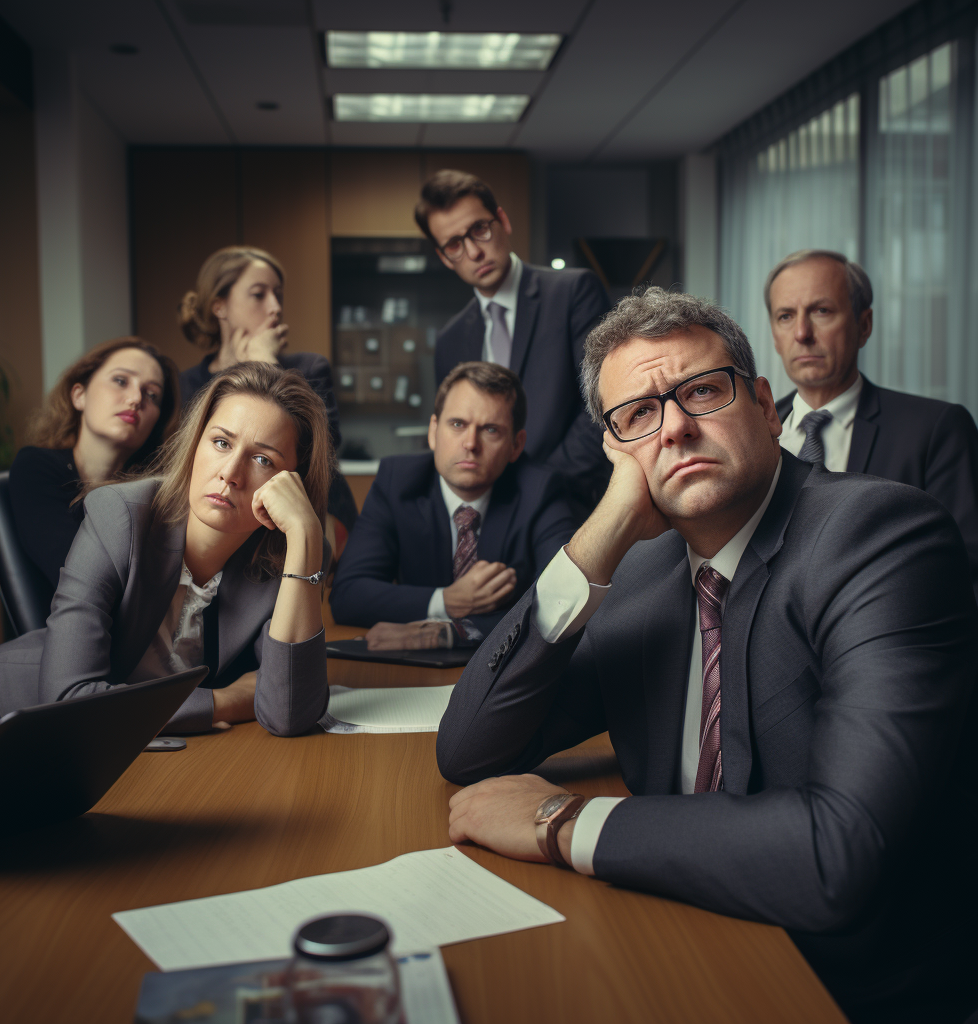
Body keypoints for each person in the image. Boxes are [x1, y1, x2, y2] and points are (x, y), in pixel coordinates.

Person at [436, 287, 978, 1024]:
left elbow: (838, 854)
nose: (676, 429)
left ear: (763, 403)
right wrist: (600, 537)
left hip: (843, 984)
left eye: (701, 392)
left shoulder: (878, 537)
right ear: (615, 448)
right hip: (674, 928)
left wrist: (563, 823)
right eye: (639, 415)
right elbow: (469, 748)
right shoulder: (636, 575)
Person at [0, 363, 332, 738]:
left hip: (129, 749)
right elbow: (69, 701)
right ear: (195, 442)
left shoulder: (291, 554)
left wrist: (304, 533)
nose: (230, 472)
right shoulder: (119, 516)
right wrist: (225, 701)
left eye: (263, 459)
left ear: (292, 484)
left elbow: (288, 714)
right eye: (221, 442)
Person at [767, 248, 978, 599]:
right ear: (775, 335)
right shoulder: (755, 432)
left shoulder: (937, 429)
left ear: (864, 325)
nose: (802, 333)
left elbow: (965, 567)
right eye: (785, 316)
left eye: (821, 311)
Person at [329, 362, 576, 649]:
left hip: (506, 670)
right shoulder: (397, 482)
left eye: (491, 430)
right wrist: (445, 601)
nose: (470, 443)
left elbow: (563, 601)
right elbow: (348, 595)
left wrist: (449, 633)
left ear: (516, 445)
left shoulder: (541, 490)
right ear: (433, 431)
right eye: (458, 424)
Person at [416, 170, 611, 511]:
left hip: (572, 504)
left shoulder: (573, 292)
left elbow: (602, 406)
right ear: (445, 256)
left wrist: (533, 489)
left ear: (502, 220)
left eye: (479, 229)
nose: (474, 252)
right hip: (490, 514)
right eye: (454, 244)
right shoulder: (450, 340)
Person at [178, 245, 358, 538]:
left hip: (308, 525)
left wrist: (265, 365)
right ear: (219, 306)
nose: (275, 306)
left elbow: (322, 451)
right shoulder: (186, 384)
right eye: (259, 294)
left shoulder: (309, 367)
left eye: (278, 295)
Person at [9, 336, 180, 591]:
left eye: (152, 394)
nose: (135, 399)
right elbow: (84, 584)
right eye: (121, 381)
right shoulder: (34, 466)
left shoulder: (156, 491)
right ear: (79, 396)